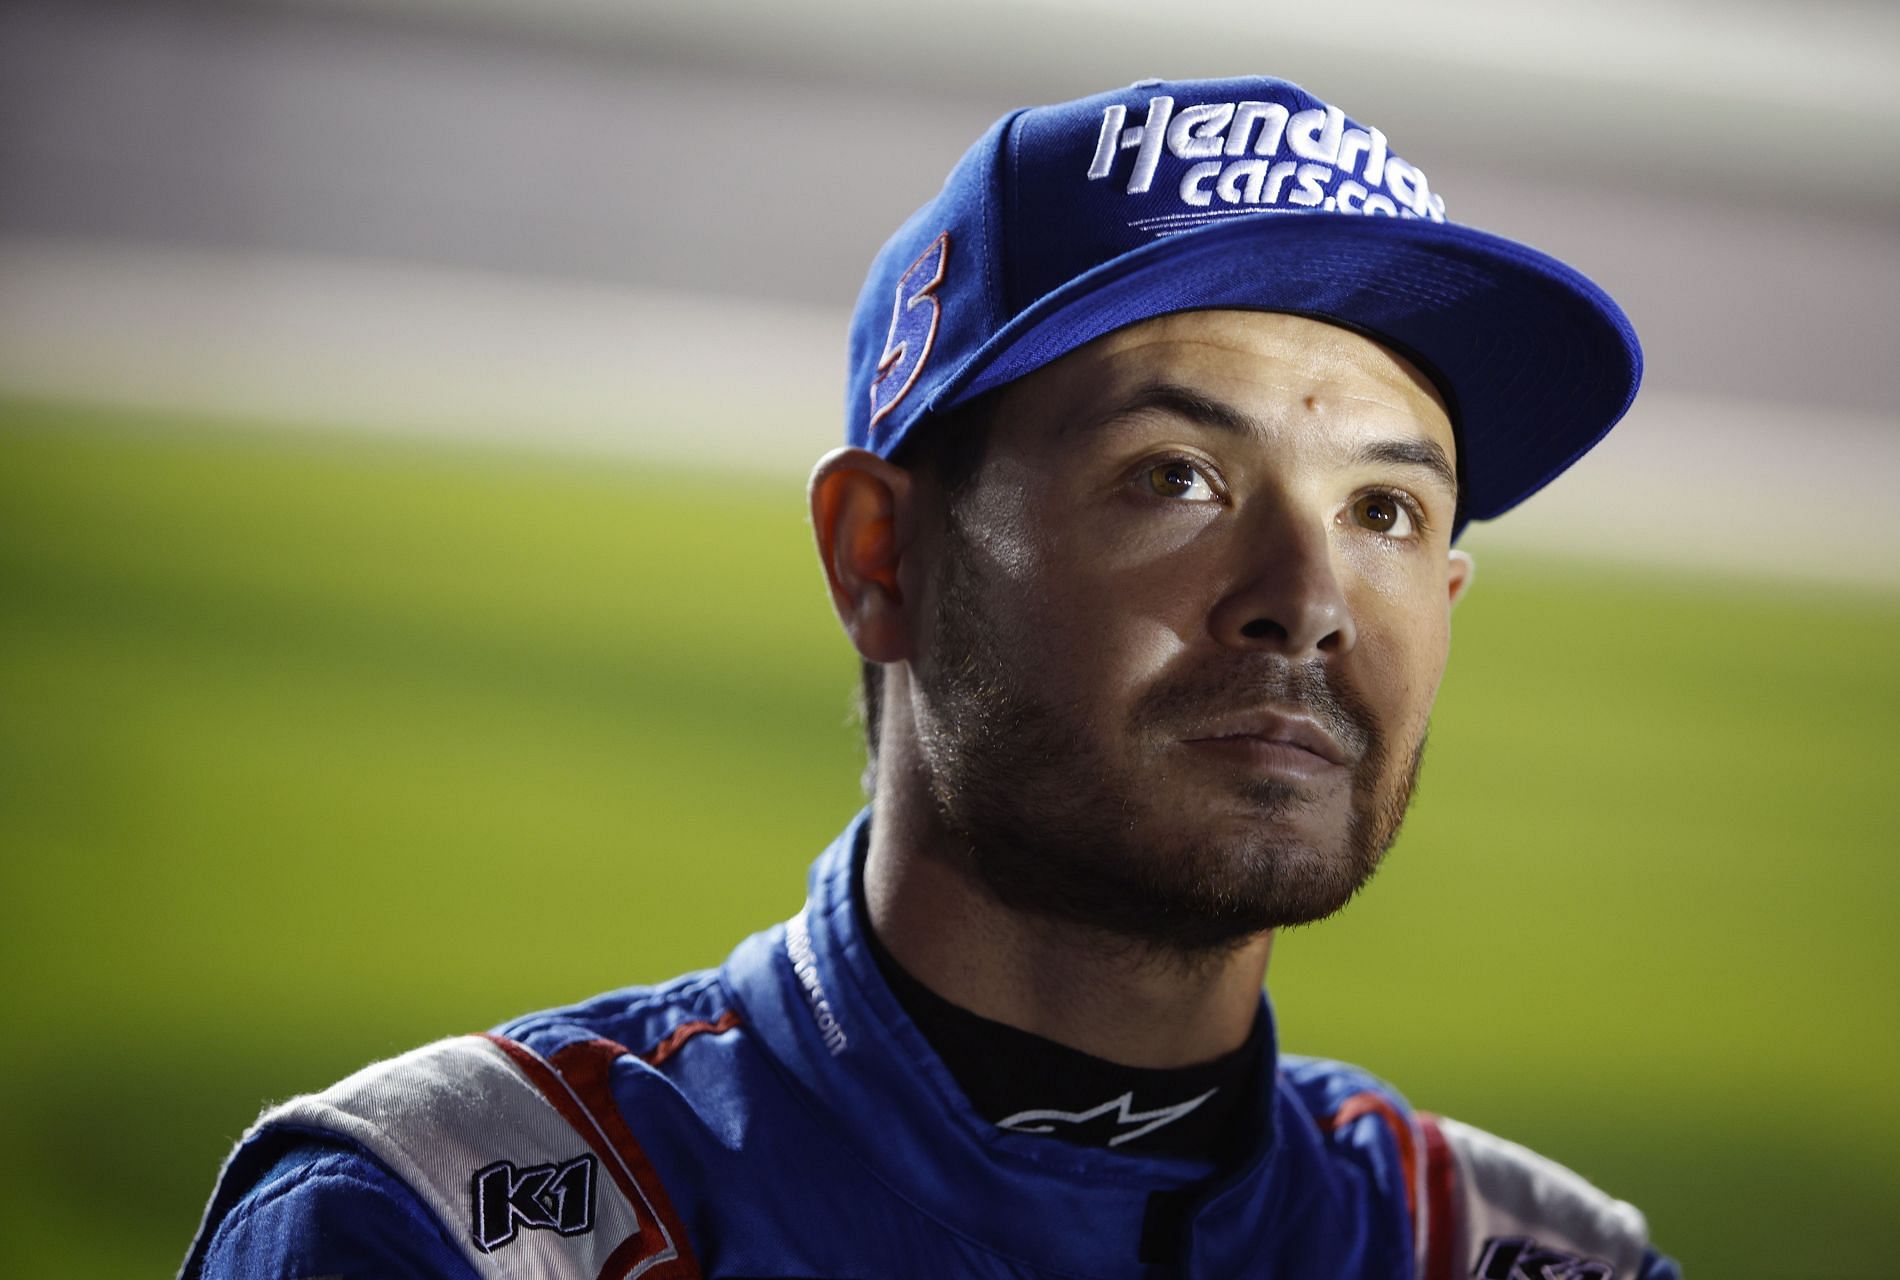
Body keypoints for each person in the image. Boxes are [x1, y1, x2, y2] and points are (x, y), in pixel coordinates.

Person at [183, 75, 1677, 1279]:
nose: (1306, 604)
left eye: (1385, 513)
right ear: (878, 556)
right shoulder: (452, 1230)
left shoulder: (1515, 1257)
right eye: (1177, 475)